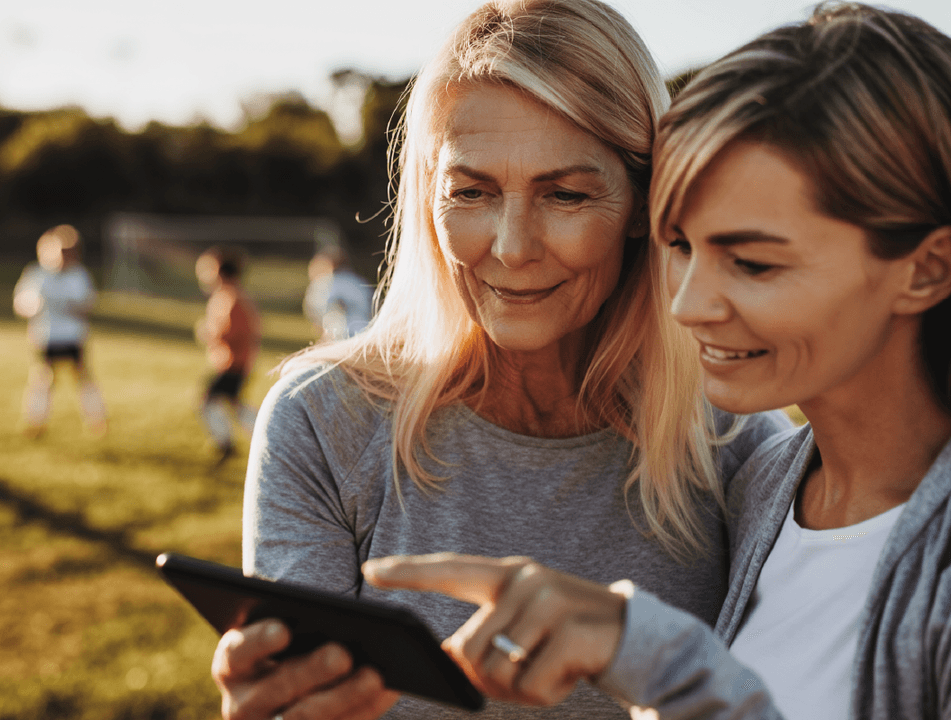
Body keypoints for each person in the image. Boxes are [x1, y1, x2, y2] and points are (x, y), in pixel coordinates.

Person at [365, 4, 951, 719]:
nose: (688, 305)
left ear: (926, 270)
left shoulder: (739, 466)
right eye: (680, 245)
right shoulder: (766, 491)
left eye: (753, 262)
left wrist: (652, 655)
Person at [209, 1, 789, 719]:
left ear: (646, 202)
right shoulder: (325, 420)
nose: (512, 246)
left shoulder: (738, 443)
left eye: (566, 194)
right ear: (428, 198)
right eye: (472, 191)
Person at [13, 224, 107, 437]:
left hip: (73, 337)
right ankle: (36, 422)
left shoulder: (79, 276)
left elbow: (88, 304)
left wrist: (68, 304)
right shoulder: (37, 275)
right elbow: (22, 303)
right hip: (46, 337)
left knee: (83, 379)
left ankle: (97, 420)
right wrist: (33, 305)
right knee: (43, 379)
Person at [195, 246, 262, 463]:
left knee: (208, 400)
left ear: (221, 272)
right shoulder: (227, 295)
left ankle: (227, 443)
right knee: (234, 402)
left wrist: (212, 334)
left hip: (234, 363)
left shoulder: (233, 297)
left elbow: (240, 332)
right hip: (230, 361)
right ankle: (252, 440)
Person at [302, 245, 374, 341]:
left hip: (341, 336)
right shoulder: (360, 282)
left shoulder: (325, 284)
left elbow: (321, 312)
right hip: (367, 333)